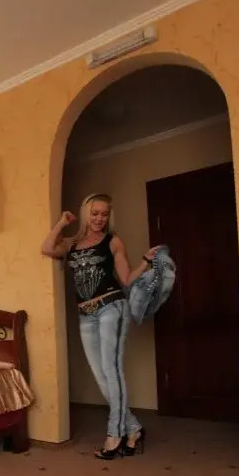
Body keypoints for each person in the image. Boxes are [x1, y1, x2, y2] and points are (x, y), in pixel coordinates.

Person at [41, 193, 159, 460]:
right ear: (86, 213)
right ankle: (134, 429)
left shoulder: (113, 241)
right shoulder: (71, 244)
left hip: (111, 307)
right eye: (94, 213)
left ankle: (114, 433)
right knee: (100, 375)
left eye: (104, 214)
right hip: (85, 314)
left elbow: (126, 279)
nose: (99, 218)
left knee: (112, 370)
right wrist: (62, 223)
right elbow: (47, 248)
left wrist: (145, 261)